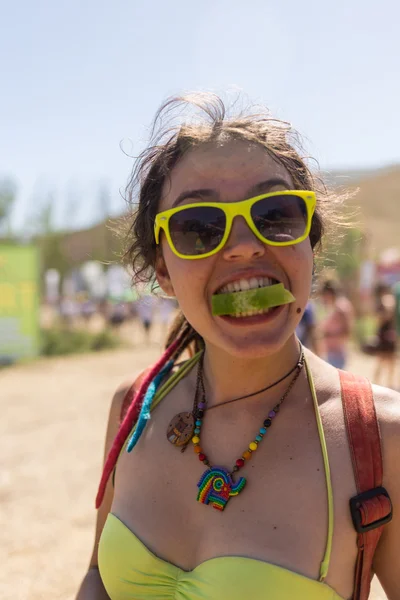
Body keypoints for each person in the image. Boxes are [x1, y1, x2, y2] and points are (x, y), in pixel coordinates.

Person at [76, 94, 400, 600]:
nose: (245, 244)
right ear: (162, 269)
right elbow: (98, 573)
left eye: (275, 215)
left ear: (309, 245)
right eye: (199, 227)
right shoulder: (134, 407)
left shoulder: (384, 439)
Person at [319, 280, 353, 369]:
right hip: (330, 350)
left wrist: (332, 336)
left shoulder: (341, 307)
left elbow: (347, 329)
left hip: (337, 351)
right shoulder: (332, 306)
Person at [373, 285, 397, 389]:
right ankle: (376, 383)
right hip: (383, 336)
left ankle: (389, 384)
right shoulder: (380, 305)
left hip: (390, 335)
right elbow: (378, 320)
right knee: (381, 360)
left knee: (391, 361)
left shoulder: (391, 302)